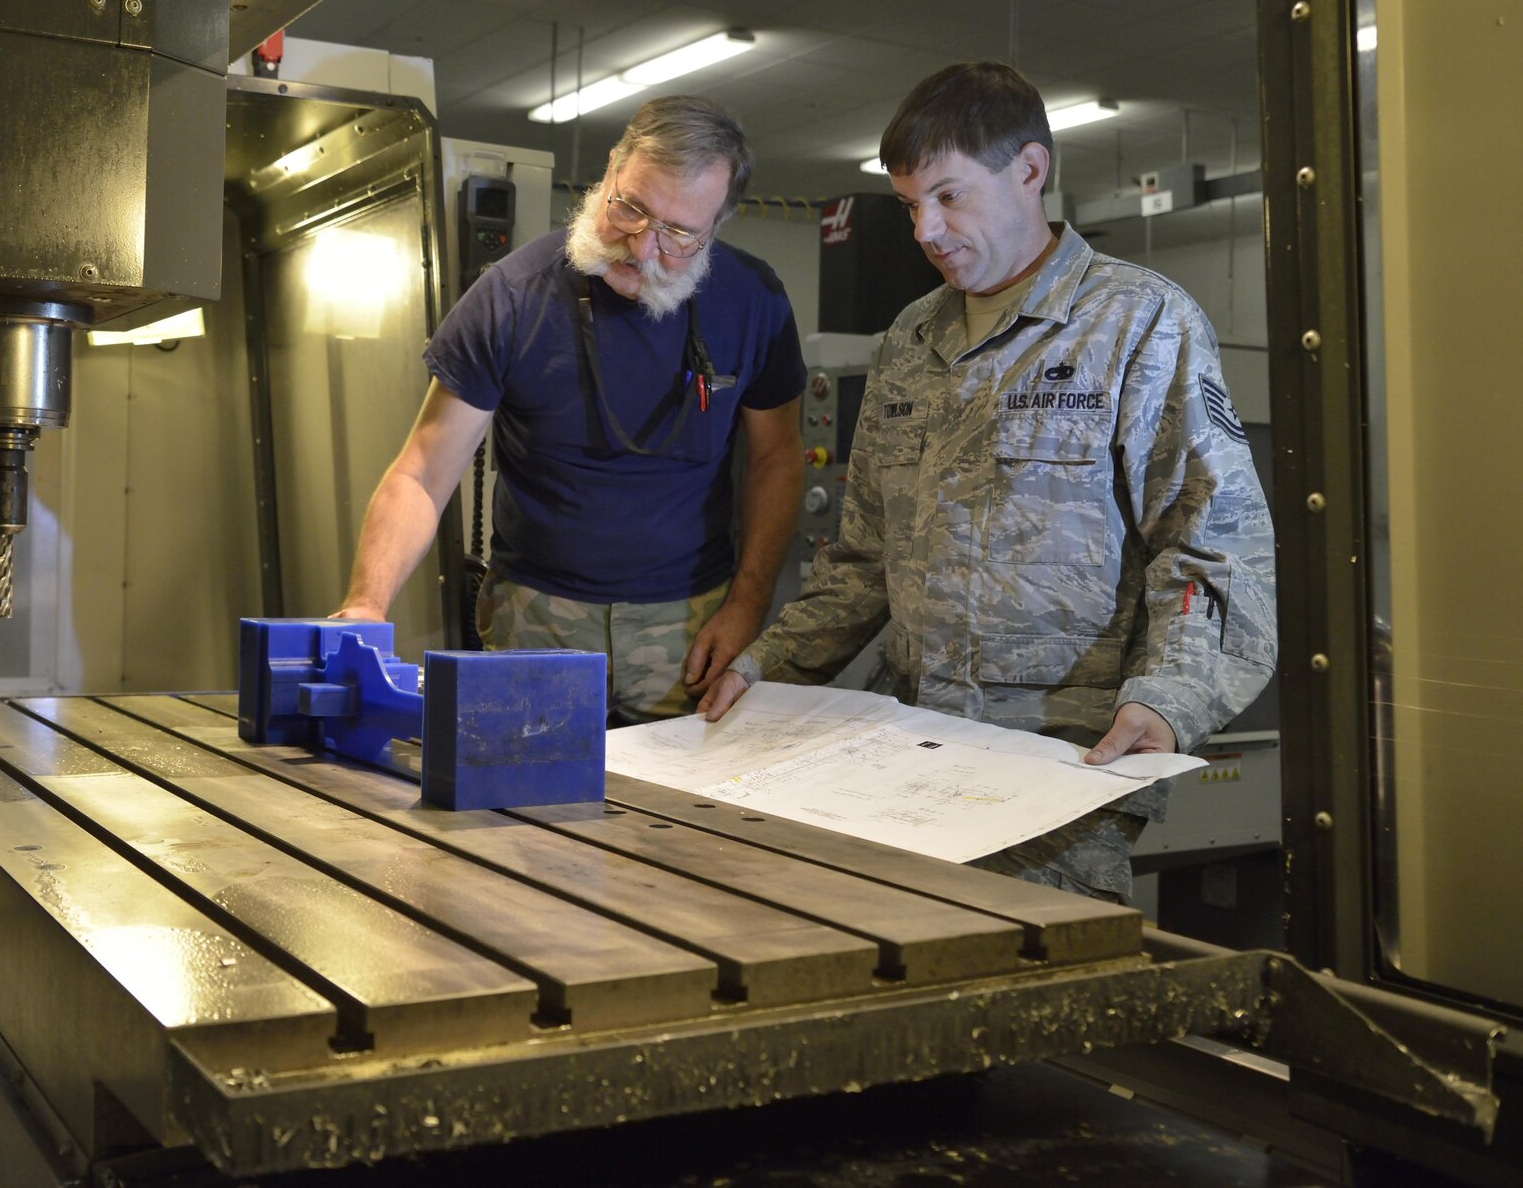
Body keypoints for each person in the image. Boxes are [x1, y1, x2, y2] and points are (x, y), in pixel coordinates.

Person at [698, 62, 1276, 904]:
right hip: (909, 750)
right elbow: (862, 561)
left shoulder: (1138, 322)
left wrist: (1173, 700)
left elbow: (1210, 543)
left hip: (1059, 765)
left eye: (949, 196)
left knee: (1036, 1004)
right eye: (908, 205)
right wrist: (767, 664)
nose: (926, 230)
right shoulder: (909, 339)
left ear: (1030, 169)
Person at [333, 96, 805, 722]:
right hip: (537, 619)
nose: (640, 248)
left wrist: (748, 604)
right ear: (610, 169)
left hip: (691, 624)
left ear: (715, 228)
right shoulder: (512, 296)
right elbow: (423, 470)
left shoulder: (754, 302)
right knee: (523, 811)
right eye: (630, 208)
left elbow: (777, 460)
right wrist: (367, 603)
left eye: (677, 233)